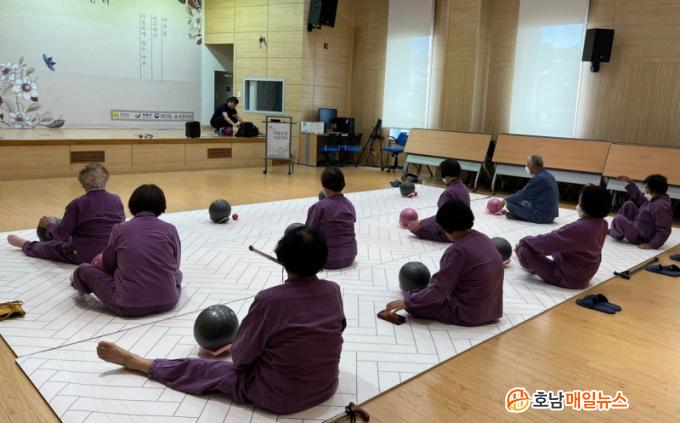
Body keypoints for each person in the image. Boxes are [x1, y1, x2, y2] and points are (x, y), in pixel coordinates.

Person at [96, 227, 346, 415]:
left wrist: (235, 349)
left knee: (205, 370)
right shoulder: (333, 290)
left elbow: (241, 358)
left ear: (283, 258)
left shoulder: (270, 299)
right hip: (325, 387)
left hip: (279, 398)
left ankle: (139, 363)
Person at [70, 184, 182, 317]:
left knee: (83, 270)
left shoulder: (120, 229)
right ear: (161, 206)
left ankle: (76, 281)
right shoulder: (170, 229)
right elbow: (175, 265)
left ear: (132, 205)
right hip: (168, 301)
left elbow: (108, 266)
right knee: (177, 274)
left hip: (128, 305)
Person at [386, 200, 504, 326]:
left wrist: (408, 301)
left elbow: (438, 291)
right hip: (493, 310)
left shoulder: (457, 251)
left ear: (446, 228)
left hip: (468, 313)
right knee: (424, 295)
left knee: (415, 305)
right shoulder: (483, 238)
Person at [6, 164, 125, 265]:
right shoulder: (116, 199)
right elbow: (120, 224)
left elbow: (62, 235)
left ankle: (24, 244)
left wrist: (48, 225)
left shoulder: (77, 204)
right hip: (111, 254)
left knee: (51, 246)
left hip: (83, 254)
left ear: (83, 183)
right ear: (106, 179)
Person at [515, 185, 612, 289]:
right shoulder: (603, 223)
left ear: (588, 205)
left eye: (580, 201)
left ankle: (533, 267)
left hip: (569, 277)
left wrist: (524, 241)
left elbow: (549, 241)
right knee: (555, 245)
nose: (578, 204)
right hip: (585, 272)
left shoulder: (581, 228)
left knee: (524, 250)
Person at [306, 167, 357, 269]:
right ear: (343, 184)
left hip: (325, 260)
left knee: (295, 228)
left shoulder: (318, 207)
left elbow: (308, 232)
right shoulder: (349, 205)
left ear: (323, 185)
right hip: (350, 256)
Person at [408, 159, 470, 242]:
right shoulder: (464, 188)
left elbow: (441, 218)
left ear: (443, 173)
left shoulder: (448, 193)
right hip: (464, 230)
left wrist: (421, 223)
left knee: (412, 225)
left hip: (450, 233)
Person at [609, 174, 672, 249]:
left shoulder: (661, 207)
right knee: (628, 205)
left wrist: (652, 244)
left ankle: (615, 231)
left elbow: (664, 230)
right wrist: (630, 183)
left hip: (642, 237)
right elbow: (640, 198)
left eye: (647, 186)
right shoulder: (655, 199)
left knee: (618, 219)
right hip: (640, 225)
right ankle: (616, 231)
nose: (645, 188)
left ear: (653, 190)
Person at [500, 155, 559, 223]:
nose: (527, 166)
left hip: (542, 216)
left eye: (528, 164)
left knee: (510, 204)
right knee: (521, 201)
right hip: (550, 214)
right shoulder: (548, 175)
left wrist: (506, 199)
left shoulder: (539, 179)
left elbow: (523, 194)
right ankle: (514, 214)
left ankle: (516, 215)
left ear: (533, 166)